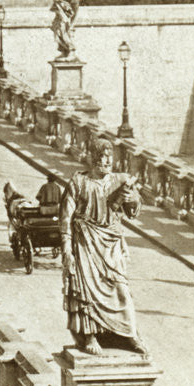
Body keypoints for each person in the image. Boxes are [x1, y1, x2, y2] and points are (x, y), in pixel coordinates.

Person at [59, 143, 146, 355]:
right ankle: (90, 336)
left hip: (111, 243)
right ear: (92, 158)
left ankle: (130, 334)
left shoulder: (121, 180)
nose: (106, 161)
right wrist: (67, 251)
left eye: (109, 157)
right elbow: (65, 218)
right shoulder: (79, 182)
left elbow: (133, 210)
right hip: (85, 242)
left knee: (121, 289)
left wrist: (132, 199)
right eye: (101, 157)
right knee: (86, 292)